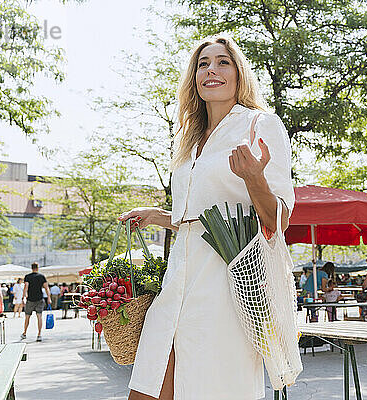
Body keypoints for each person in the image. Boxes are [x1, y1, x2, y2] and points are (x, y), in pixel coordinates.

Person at [118, 35, 296, 400]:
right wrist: (160, 216)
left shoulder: (261, 125)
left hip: (226, 286)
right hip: (177, 282)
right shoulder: (188, 138)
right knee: (147, 386)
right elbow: (199, 215)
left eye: (222, 62)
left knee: (215, 387)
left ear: (239, 73)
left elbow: (279, 219)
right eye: (203, 64)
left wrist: (255, 178)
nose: (211, 70)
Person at [21, 262, 51, 342]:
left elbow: (26, 287)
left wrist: (23, 297)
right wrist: (49, 298)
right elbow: (46, 288)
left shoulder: (27, 277)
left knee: (27, 317)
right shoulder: (41, 276)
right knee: (39, 316)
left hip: (30, 299)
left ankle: (24, 333)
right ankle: (39, 334)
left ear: (31, 268)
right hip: (39, 299)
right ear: (38, 268)